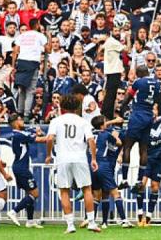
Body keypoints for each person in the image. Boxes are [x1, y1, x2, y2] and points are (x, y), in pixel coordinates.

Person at [45, 94, 100, 233]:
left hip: (63, 158)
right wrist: (93, 158)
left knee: (64, 190)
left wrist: (48, 155)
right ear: (77, 107)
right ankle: (92, 222)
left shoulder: (56, 121)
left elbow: (50, 138)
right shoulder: (83, 121)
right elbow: (91, 140)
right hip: (80, 157)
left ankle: (70, 225)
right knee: (87, 189)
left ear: (62, 106)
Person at [119, 66, 158, 192]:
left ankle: (124, 179)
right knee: (143, 150)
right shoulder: (157, 83)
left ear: (139, 74)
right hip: (149, 117)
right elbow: (158, 101)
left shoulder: (138, 82)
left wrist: (122, 106)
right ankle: (139, 180)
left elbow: (129, 96)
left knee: (127, 147)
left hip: (137, 117)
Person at [89, 115, 131, 229]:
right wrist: (114, 135)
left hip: (93, 166)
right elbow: (118, 142)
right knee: (115, 193)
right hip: (103, 165)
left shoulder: (90, 133)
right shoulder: (107, 134)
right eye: (105, 122)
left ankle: (96, 222)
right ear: (103, 125)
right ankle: (124, 220)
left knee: (97, 195)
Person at [7, 114, 47, 228]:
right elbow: (41, 139)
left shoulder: (19, 133)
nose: (22, 121)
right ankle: (14, 211)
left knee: (30, 193)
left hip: (20, 167)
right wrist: (53, 137)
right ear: (15, 122)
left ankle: (30, 221)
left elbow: (35, 133)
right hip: (21, 168)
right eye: (20, 119)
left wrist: (38, 132)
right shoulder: (20, 134)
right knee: (35, 193)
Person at [138, 104, 161, 227]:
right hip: (147, 158)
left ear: (157, 111)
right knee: (141, 184)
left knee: (155, 186)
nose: (152, 111)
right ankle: (139, 214)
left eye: (154, 109)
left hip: (159, 158)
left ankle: (148, 216)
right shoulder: (142, 123)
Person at [11, 19, 47, 118]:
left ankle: (19, 112)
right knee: (30, 90)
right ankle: (26, 114)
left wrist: (14, 66)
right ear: (37, 25)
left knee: (21, 89)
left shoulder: (22, 35)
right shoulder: (40, 35)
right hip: (32, 62)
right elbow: (48, 49)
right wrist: (49, 36)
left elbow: (15, 51)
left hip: (21, 62)